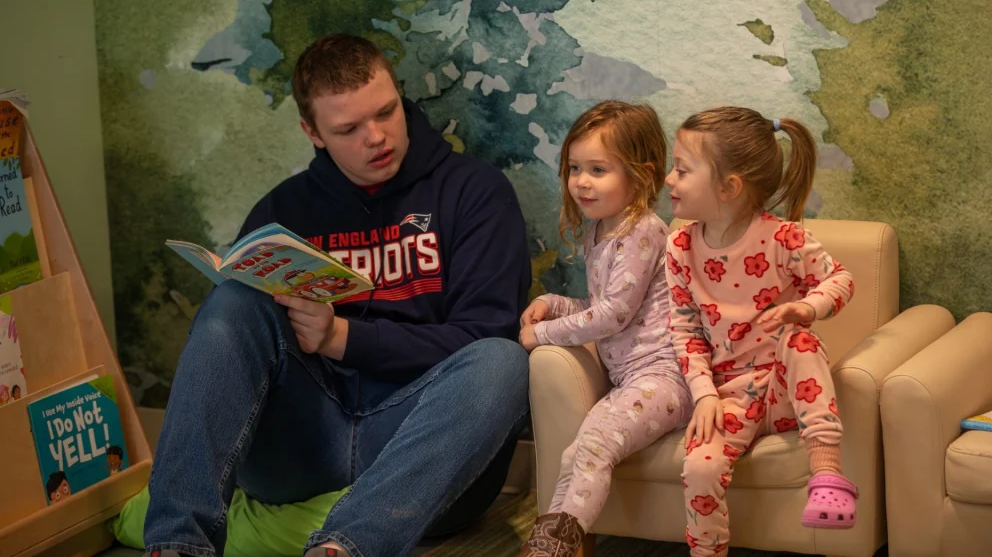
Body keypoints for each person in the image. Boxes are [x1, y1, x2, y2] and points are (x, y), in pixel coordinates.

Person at [143, 33, 532, 557]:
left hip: (423, 449)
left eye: (387, 112)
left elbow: (484, 334)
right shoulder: (284, 212)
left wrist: (344, 337)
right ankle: (176, 544)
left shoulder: (474, 192)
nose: (377, 137)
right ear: (313, 132)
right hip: (304, 442)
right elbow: (239, 354)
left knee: (503, 360)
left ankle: (346, 548)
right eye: (348, 129)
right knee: (233, 302)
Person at [664, 107, 857, 556]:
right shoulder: (679, 246)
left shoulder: (783, 239)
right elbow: (685, 327)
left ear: (729, 187)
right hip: (730, 395)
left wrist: (804, 307)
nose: (670, 180)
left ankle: (827, 474)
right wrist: (704, 393)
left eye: (682, 170)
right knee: (698, 467)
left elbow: (841, 280)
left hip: (787, 389)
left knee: (800, 337)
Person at [517, 101, 695, 557]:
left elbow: (613, 315)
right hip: (633, 379)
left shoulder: (643, 230)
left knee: (594, 443)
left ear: (641, 175)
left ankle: (553, 546)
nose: (581, 181)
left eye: (598, 169)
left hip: (664, 378)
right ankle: (552, 544)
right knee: (578, 453)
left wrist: (545, 334)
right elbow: (606, 308)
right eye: (575, 167)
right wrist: (553, 303)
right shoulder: (603, 229)